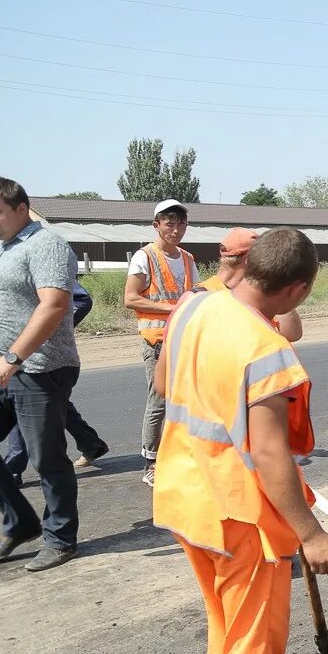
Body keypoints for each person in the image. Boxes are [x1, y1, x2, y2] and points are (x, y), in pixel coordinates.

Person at [152, 227, 328, 654]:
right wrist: (311, 535)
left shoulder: (193, 307)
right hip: (239, 515)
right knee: (256, 638)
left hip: (186, 496)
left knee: (227, 625)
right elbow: (267, 451)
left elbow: (163, 384)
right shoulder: (266, 351)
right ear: (297, 289)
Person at [0, 177, 83, 572]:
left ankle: (60, 539)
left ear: (21, 209)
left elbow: (55, 305)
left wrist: (13, 356)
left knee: (48, 460)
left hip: (41, 369)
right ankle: (22, 522)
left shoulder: (47, 246)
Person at [0, 251, 108, 483]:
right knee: (52, 399)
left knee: (21, 402)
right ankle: (90, 443)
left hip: (34, 351)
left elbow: (81, 299)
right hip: (5, 350)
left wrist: (48, 331)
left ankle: (13, 469)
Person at [124, 199, 199, 486]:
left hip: (186, 340)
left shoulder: (188, 259)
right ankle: (152, 463)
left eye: (181, 224)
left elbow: (197, 294)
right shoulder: (145, 257)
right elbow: (130, 298)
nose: (176, 229)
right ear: (157, 226)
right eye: (170, 224)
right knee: (159, 402)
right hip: (158, 343)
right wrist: (174, 308)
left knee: (188, 401)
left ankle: (180, 454)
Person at [186, 228, 303, 342]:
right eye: (264, 258)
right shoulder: (200, 296)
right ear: (248, 259)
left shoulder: (261, 294)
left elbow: (292, 333)